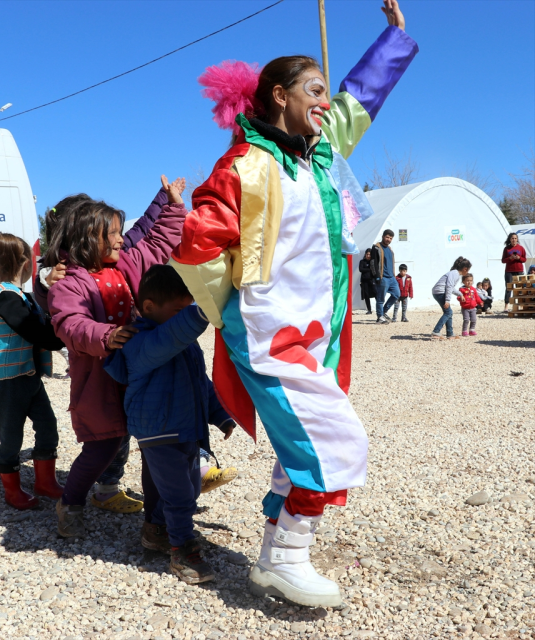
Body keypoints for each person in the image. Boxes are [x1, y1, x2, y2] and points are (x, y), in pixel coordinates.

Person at [168, 0, 417, 607]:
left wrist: (393, 38)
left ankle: (270, 559)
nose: (325, 101)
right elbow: (196, 247)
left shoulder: (323, 155)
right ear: (277, 96)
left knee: (297, 446)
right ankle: (289, 557)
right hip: (268, 333)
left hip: (319, 333)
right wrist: (234, 314)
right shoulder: (245, 167)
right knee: (336, 442)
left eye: (325, 92)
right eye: (313, 89)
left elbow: (363, 97)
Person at [48, 179, 186, 537]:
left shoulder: (126, 264)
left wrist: (172, 206)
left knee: (152, 444)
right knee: (104, 444)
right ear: (84, 239)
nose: (120, 239)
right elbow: (69, 323)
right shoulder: (68, 283)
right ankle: (72, 501)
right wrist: (106, 336)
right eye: (110, 234)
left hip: (139, 375)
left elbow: (156, 241)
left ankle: (156, 524)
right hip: (98, 379)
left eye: (119, 232)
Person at [104, 265, 235, 584]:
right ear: (149, 308)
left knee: (174, 489)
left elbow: (199, 382)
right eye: (179, 310)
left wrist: (220, 414)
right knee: (181, 495)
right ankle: (183, 550)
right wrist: (202, 312)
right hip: (159, 430)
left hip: (184, 427)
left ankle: (156, 531)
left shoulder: (183, 342)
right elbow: (168, 338)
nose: (184, 316)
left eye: (188, 308)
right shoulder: (140, 342)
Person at [0, 234, 65, 508]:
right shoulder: (6, 296)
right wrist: (63, 336)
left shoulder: (18, 294)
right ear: (24, 262)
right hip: (9, 380)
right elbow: (34, 330)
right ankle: (12, 491)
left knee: (47, 426)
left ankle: (44, 482)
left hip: (27, 375)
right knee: (11, 436)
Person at [430, 257, 471, 340]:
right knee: (448, 312)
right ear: (465, 269)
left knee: (448, 312)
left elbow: (451, 288)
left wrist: (460, 294)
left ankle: (450, 334)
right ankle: (436, 332)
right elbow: (449, 287)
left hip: (438, 292)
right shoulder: (454, 274)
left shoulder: (455, 273)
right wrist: (447, 300)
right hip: (440, 292)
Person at [370, 230, 399, 324]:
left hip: (391, 277)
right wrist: (376, 276)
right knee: (380, 298)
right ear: (383, 236)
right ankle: (379, 317)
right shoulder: (376, 248)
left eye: (390, 238)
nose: (388, 239)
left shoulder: (390, 249)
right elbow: (373, 262)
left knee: (397, 294)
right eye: (387, 237)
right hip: (383, 277)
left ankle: (383, 312)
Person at [501, 233, 527, 312]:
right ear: (510, 239)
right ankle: (506, 307)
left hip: (519, 270)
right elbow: (503, 260)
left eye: (515, 238)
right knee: (509, 288)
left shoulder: (521, 248)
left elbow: (524, 259)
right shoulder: (506, 249)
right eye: (512, 238)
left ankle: (521, 306)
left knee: (520, 288)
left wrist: (519, 258)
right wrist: (510, 258)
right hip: (509, 271)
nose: (514, 240)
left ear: (517, 239)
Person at [358, 249, 375, 315]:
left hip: (372, 280)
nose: (368, 256)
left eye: (370, 254)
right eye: (367, 254)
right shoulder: (362, 261)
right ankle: (369, 310)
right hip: (364, 281)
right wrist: (369, 269)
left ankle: (379, 309)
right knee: (366, 295)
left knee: (376, 293)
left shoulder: (373, 262)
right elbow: (360, 269)